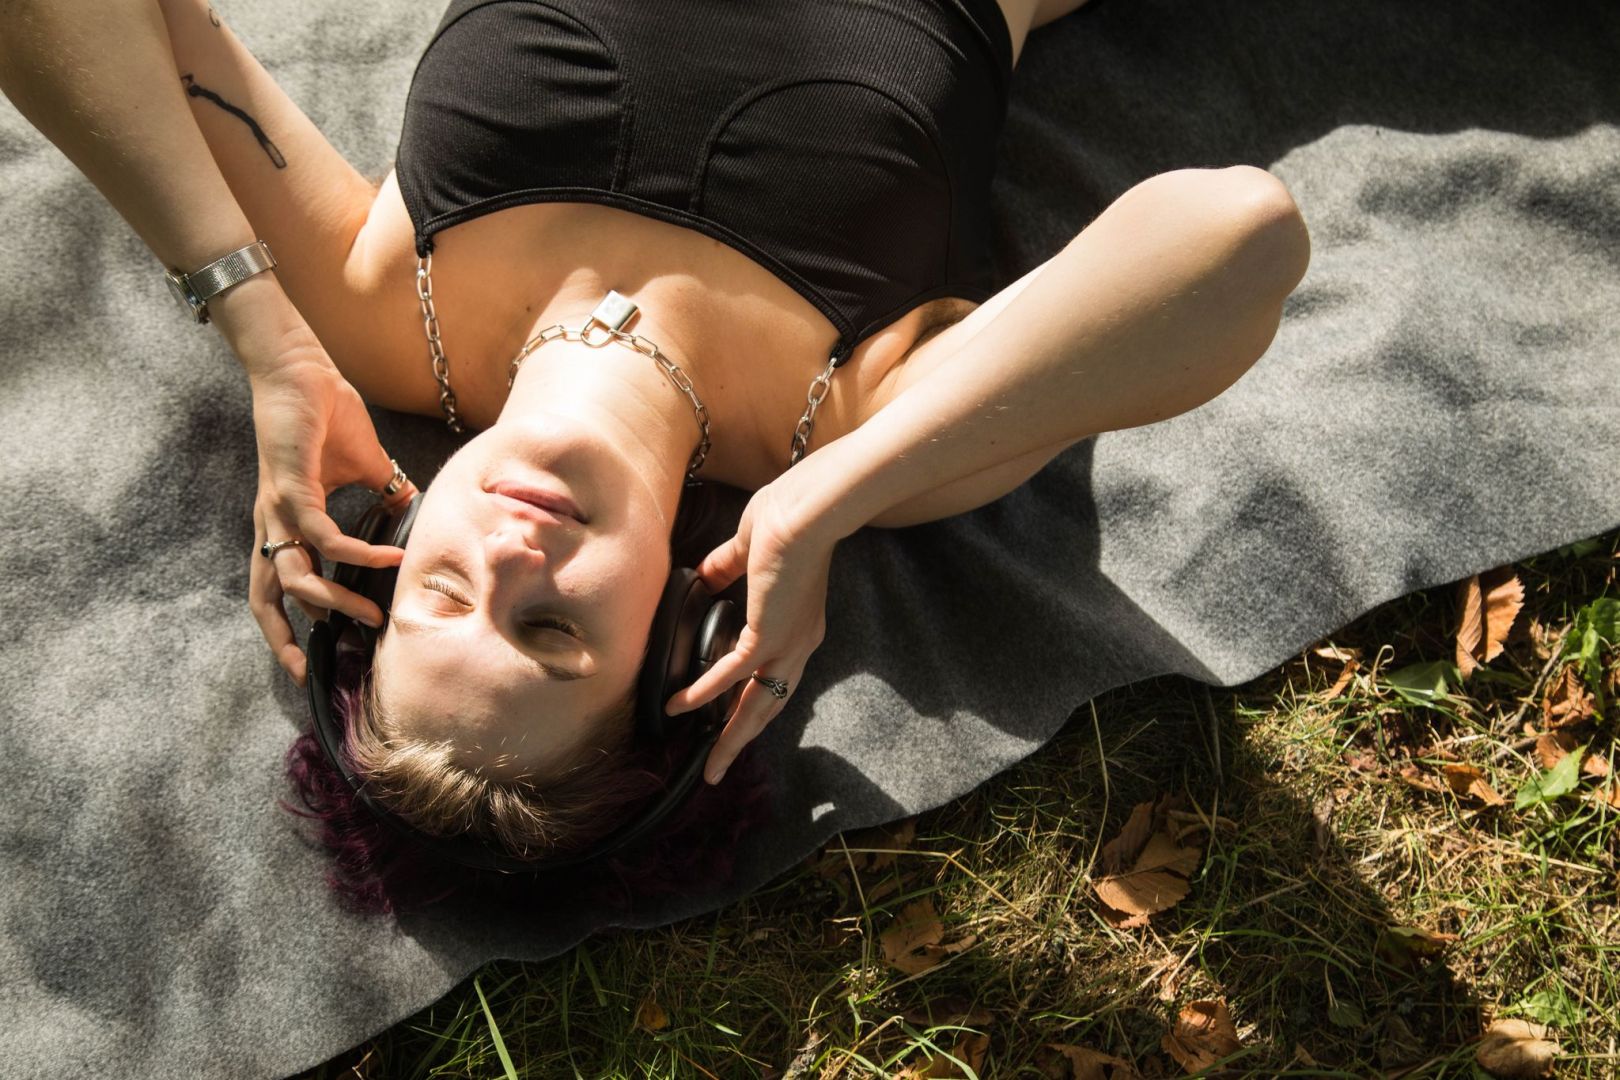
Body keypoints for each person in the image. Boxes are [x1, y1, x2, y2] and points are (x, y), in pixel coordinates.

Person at [0, 0, 1310, 896]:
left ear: (394, 545)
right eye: (551, 633)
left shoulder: (374, 310)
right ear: (678, 646)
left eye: (445, 595)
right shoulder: (868, 423)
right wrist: (829, 502)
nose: (511, 556)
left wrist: (261, 336)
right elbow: (1239, 238)